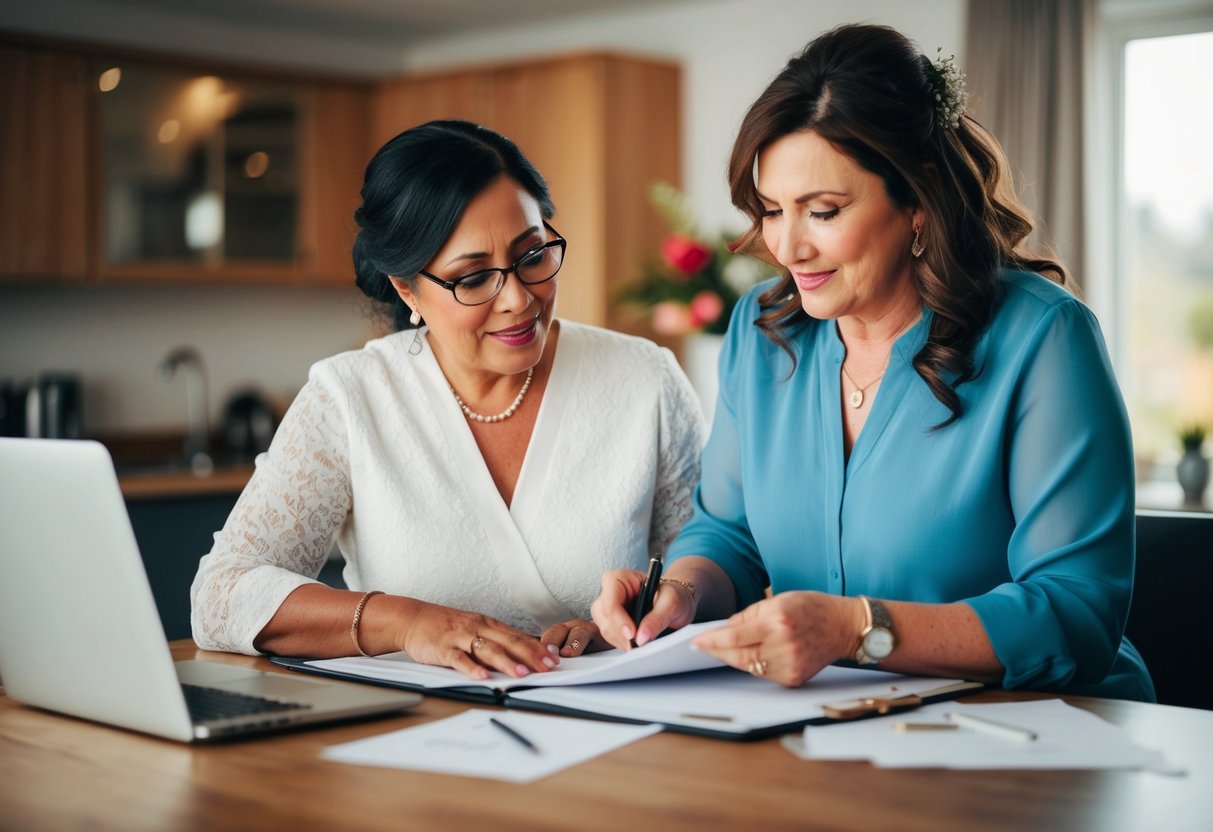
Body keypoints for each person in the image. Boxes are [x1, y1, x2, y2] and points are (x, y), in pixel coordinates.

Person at [591, 24, 1155, 701]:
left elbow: (1076, 613)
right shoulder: (761, 332)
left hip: (1044, 725)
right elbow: (728, 534)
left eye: (823, 211)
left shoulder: (1044, 337)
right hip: (833, 723)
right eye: (771, 211)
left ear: (916, 201)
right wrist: (680, 591)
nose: (787, 247)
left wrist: (857, 630)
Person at [191, 119, 706, 680]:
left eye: (533, 255)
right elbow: (220, 595)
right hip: (420, 723)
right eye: (473, 278)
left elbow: (714, 568)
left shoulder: (643, 379)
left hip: (614, 717)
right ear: (406, 288)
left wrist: (628, 627)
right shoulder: (350, 397)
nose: (517, 299)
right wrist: (408, 623)